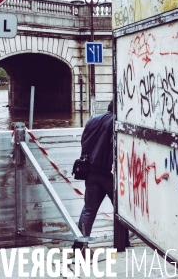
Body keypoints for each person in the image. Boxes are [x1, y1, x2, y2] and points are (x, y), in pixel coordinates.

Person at [72, 100, 129, 251]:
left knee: (89, 209)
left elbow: (84, 142)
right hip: (109, 175)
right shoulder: (116, 123)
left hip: (91, 172)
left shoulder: (93, 120)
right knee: (120, 210)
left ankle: (79, 244)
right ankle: (123, 242)